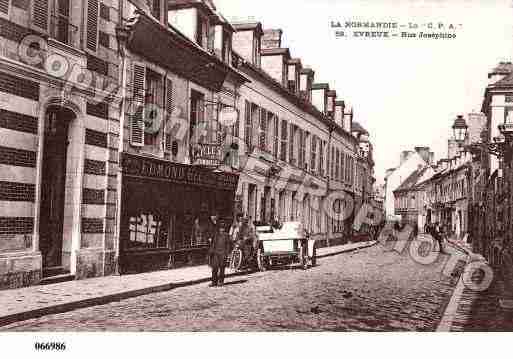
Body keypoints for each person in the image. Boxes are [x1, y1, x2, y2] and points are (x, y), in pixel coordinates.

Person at [208, 219, 231, 287]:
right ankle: (214, 282)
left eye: (223, 228)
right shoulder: (216, 235)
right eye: (221, 228)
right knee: (214, 268)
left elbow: (228, 245)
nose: (222, 229)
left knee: (222, 268)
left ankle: (221, 281)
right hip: (216, 253)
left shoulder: (226, 235)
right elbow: (213, 244)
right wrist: (211, 252)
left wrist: (227, 254)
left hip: (223, 254)